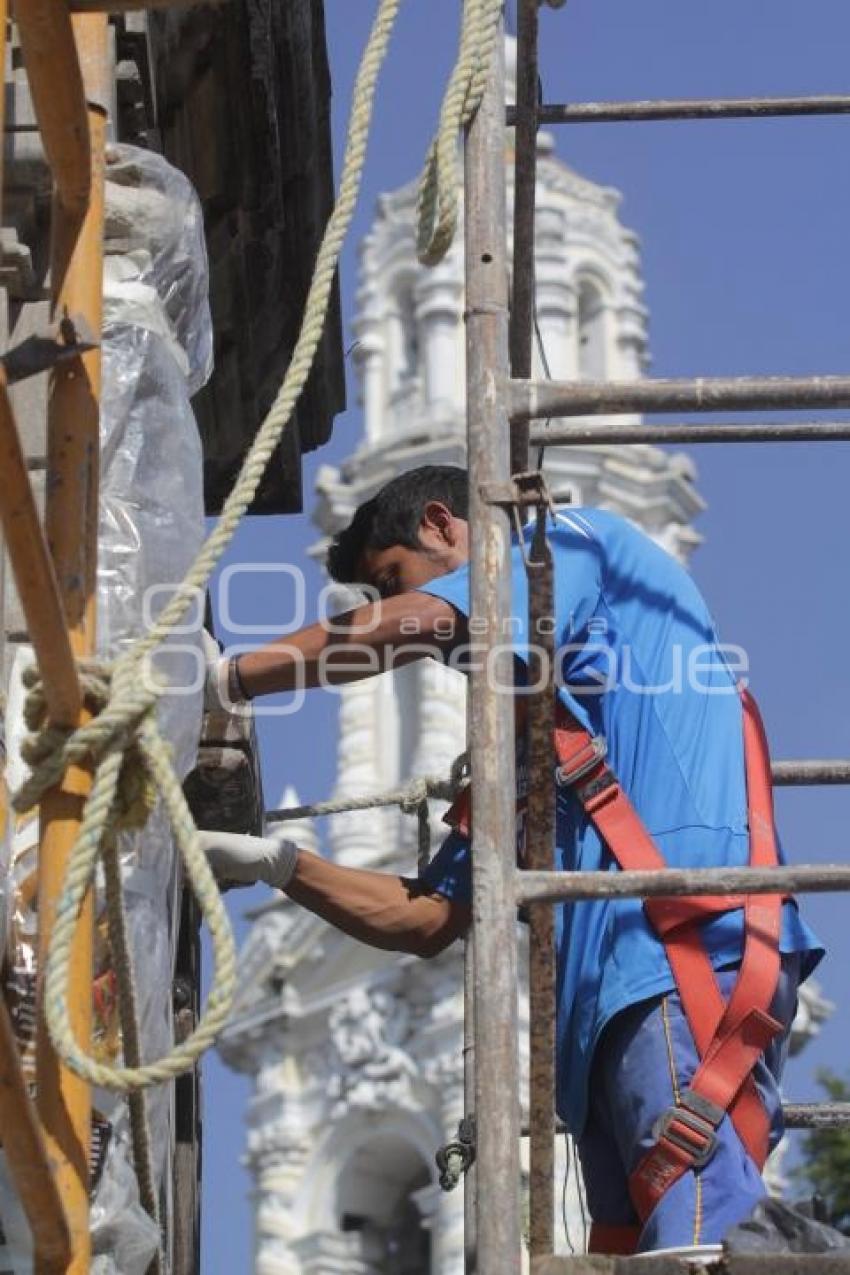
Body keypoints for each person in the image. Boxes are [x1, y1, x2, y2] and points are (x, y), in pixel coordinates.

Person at [200, 464, 823, 1254]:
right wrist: (280, 864)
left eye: (391, 582)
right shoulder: (536, 742)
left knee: (699, 1232)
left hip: (673, 957)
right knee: (652, 1247)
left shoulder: (570, 545)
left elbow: (428, 621)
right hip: (614, 1010)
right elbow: (427, 915)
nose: (400, 623)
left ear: (441, 525)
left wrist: (227, 677)